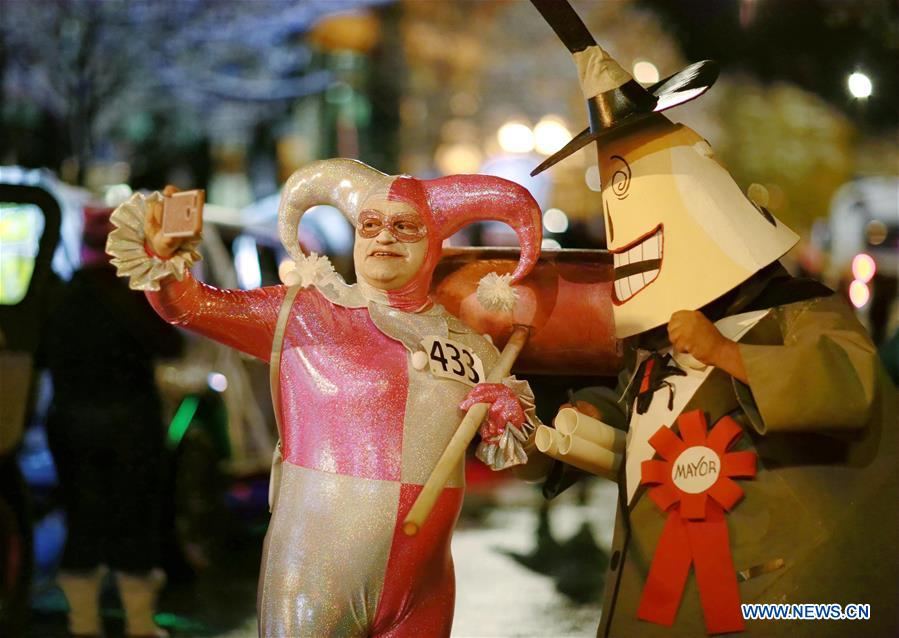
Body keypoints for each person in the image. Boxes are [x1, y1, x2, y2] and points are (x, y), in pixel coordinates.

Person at [527, 1, 898, 636]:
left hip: (788, 601)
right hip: (665, 603)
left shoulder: (797, 308)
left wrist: (729, 354)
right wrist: (592, 415)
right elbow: (653, 419)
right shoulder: (654, 343)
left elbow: (848, 383)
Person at [106, 159, 543, 637]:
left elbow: (524, 461)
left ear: (434, 241)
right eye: (370, 225)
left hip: (423, 591)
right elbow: (189, 306)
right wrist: (164, 258)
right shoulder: (303, 313)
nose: (384, 238)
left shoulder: (471, 347)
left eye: (405, 226)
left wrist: (508, 415)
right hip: (312, 584)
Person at [42, 207, 183, 637]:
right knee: (134, 521)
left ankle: (82, 623)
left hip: (70, 423)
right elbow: (171, 345)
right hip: (131, 424)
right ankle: (140, 625)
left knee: (81, 520)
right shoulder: (137, 296)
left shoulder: (58, 296)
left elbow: (38, 356)